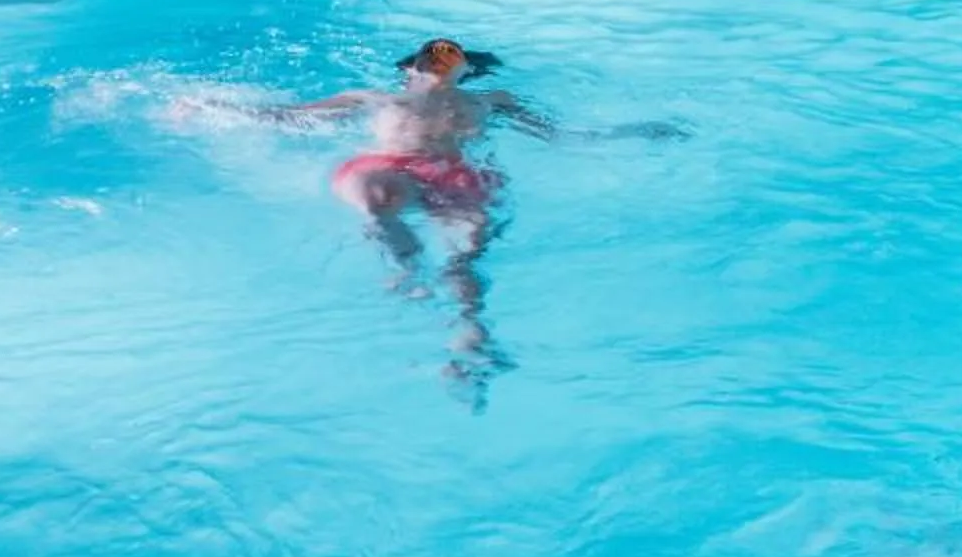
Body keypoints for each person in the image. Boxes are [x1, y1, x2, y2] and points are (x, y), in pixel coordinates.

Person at [260, 38, 684, 402]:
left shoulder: (491, 100)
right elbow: (288, 115)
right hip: (392, 166)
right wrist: (204, 105)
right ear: (409, 67)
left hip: (454, 175)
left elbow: (565, 136)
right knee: (377, 199)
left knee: (463, 256)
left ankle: (470, 334)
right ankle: (410, 276)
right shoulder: (374, 97)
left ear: (465, 70)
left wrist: (637, 130)